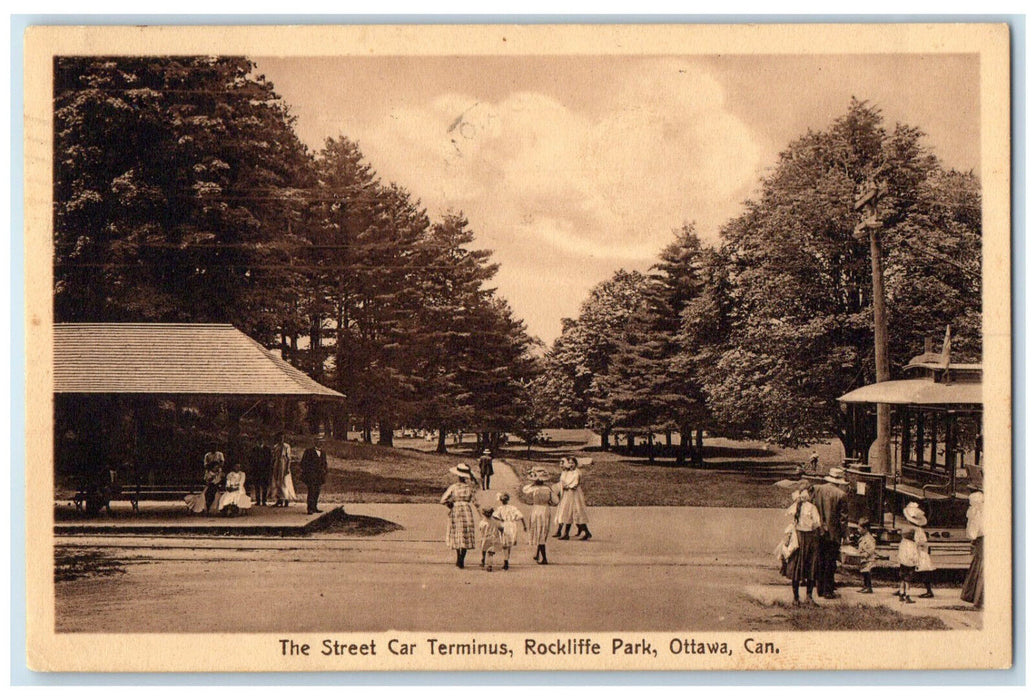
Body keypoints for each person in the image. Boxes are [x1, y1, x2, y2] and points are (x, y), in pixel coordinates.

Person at [812, 466, 849, 598]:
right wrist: (845, 535)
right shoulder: (841, 495)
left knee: (819, 559)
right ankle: (828, 590)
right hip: (833, 533)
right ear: (839, 481)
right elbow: (843, 519)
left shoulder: (818, 489)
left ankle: (819, 588)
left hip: (818, 530)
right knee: (830, 561)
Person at [782, 483, 821, 606]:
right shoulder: (812, 507)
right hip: (809, 538)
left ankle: (796, 598)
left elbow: (791, 519)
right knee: (811, 566)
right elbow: (817, 523)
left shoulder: (795, 506)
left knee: (797, 567)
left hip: (798, 538)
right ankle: (809, 596)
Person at [440, 463, 480, 568]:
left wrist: (450, 505)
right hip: (466, 510)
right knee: (466, 533)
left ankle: (459, 558)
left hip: (456, 510)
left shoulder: (453, 487)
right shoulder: (469, 488)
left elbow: (443, 500)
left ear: (458, 476)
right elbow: (476, 502)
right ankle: (462, 558)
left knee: (458, 533)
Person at [523, 467, 558, 565]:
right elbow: (556, 501)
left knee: (538, 530)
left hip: (536, 509)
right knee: (542, 530)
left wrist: (533, 483)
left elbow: (524, 490)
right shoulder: (548, 489)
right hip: (545, 509)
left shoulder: (533, 488)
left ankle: (544, 558)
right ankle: (537, 554)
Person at [554, 457, 593, 540]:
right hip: (567, 494)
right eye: (570, 463)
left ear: (576, 464)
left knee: (576, 513)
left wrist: (567, 486)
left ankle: (570, 534)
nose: (571, 465)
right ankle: (569, 533)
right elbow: (564, 482)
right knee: (568, 512)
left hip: (574, 495)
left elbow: (575, 484)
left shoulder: (577, 473)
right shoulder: (569, 472)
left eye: (573, 463)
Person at [897, 502, 928, 604]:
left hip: (903, 551)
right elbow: (921, 542)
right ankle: (907, 595)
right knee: (909, 576)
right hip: (911, 551)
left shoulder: (905, 528)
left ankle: (901, 593)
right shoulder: (918, 530)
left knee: (902, 574)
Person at [961, 490, 984, 608]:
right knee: (981, 568)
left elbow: (972, 533)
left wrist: (973, 539)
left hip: (982, 540)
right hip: (983, 540)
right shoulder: (979, 512)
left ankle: (974, 597)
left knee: (980, 567)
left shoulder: (976, 513)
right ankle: (978, 598)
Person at [493, 492, 526, 571]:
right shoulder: (513, 508)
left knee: (505, 544)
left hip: (504, 525)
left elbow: (494, 516)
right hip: (512, 525)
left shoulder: (500, 508)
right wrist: (524, 526)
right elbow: (521, 516)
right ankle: (507, 559)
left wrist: (500, 520)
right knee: (509, 544)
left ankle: (506, 560)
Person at [299, 433, 329, 515]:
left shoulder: (323, 452)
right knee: (311, 491)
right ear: (315, 442)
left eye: (321, 442)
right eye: (319, 442)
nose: (320, 443)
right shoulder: (308, 451)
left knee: (317, 491)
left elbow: (324, 463)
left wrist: (325, 470)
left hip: (319, 476)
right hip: (311, 475)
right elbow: (303, 463)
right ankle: (310, 508)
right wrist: (309, 471)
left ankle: (315, 507)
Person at [270, 432, 293, 507]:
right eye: (280, 438)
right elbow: (273, 457)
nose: (281, 439)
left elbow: (289, 458)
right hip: (277, 464)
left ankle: (286, 499)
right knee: (277, 482)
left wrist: (287, 468)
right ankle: (279, 499)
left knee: (284, 482)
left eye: (282, 438)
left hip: (283, 464)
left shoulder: (286, 446)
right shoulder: (276, 446)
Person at [855, 517, 878, 594]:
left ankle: (869, 587)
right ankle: (865, 586)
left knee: (867, 573)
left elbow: (872, 548)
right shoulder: (863, 537)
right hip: (863, 559)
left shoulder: (869, 538)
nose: (858, 530)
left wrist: (866, 554)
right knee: (864, 573)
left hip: (868, 559)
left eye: (859, 528)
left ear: (865, 528)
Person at [249, 436, 273, 506]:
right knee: (257, 486)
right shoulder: (254, 450)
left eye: (261, 441)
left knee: (264, 486)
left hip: (265, 470)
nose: (260, 442)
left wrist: (268, 469)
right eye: (259, 441)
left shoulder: (267, 450)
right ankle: (258, 500)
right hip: (256, 470)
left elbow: (269, 460)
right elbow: (251, 460)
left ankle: (264, 500)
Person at [202, 444, 226, 514]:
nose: (213, 449)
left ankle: (216, 507)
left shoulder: (219, 454)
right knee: (209, 492)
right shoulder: (207, 455)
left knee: (214, 489)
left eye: (215, 447)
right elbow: (205, 465)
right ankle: (207, 507)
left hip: (217, 477)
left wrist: (217, 467)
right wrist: (211, 467)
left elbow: (222, 462)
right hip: (210, 473)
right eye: (212, 447)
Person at [478, 507, 503, 571]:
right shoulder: (495, 521)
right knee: (490, 553)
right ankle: (489, 565)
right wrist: (501, 534)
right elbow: (501, 528)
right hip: (493, 538)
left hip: (485, 538)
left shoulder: (482, 522)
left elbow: (480, 529)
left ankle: (483, 560)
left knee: (484, 549)